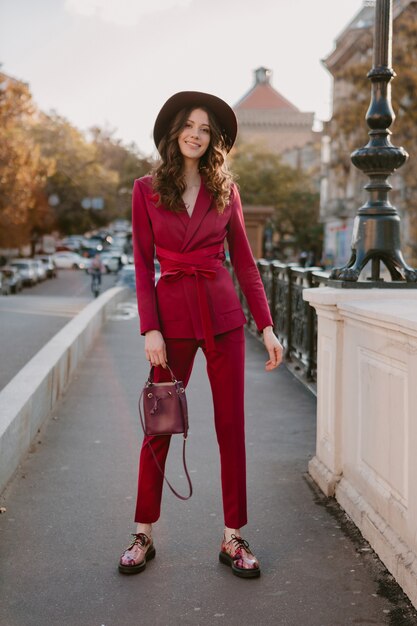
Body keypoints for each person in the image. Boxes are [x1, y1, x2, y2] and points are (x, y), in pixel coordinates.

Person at [119, 91, 283, 579]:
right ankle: (143, 532)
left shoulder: (226, 190)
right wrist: (150, 327)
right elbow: (141, 262)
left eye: (205, 128)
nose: (196, 133)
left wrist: (268, 326)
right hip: (170, 322)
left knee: (231, 426)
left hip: (224, 318)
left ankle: (233, 537)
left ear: (214, 139)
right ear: (175, 132)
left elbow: (246, 266)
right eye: (189, 125)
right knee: (161, 424)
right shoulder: (145, 188)